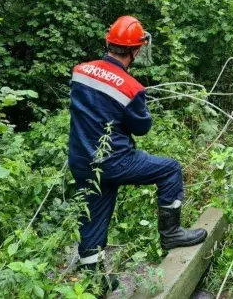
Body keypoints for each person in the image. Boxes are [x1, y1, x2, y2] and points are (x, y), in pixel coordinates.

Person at [68, 16, 207, 294]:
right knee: (170, 169)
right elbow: (141, 128)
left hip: (82, 161)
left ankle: (94, 282)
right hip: (115, 162)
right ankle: (171, 234)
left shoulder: (80, 71)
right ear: (136, 50)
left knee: (93, 215)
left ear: (109, 42)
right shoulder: (132, 88)